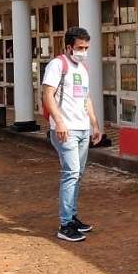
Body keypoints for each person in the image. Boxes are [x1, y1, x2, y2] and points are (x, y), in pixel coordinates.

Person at [42, 27, 103, 242]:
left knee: (78, 174)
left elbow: (86, 99)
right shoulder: (57, 65)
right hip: (65, 129)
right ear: (68, 46)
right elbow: (47, 94)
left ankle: (72, 216)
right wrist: (58, 122)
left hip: (83, 128)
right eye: (80, 47)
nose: (83, 51)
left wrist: (95, 125)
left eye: (86, 47)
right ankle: (65, 224)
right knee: (71, 173)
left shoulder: (83, 68)